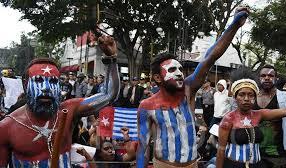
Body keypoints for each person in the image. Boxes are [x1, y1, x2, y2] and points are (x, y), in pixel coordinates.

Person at [136, 7, 250, 168]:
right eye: (171, 70)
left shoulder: (188, 90)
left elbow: (210, 57)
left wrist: (234, 25)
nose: (179, 73)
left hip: (192, 165)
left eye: (180, 69)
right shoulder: (147, 106)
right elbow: (143, 146)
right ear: (157, 78)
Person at [0, 35, 120, 167]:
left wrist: (111, 59)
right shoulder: (7, 127)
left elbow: (108, 95)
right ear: (25, 84)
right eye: (39, 81)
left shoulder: (69, 111)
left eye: (52, 81)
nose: (46, 88)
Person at [216, 68, 286, 168]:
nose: (246, 99)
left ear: (255, 97)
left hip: (257, 165)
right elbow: (221, 150)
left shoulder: (259, 114)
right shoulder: (228, 119)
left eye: (250, 95)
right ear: (235, 97)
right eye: (242, 94)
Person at [253, 65, 286, 167]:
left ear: (276, 78)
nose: (267, 78)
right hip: (255, 152)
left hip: (279, 155)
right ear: (259, 78)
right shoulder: (252, 97)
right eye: (263, 75)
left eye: (270, 75)